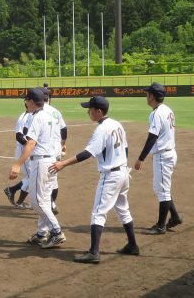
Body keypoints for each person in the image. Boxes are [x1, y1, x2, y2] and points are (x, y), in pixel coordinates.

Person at [49, 96, 139, 264]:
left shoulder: (102, 129)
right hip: (122, 173)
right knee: (122, 209)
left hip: (111, 176)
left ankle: (93, 252)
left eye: (90, 109)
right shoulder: (117, 124)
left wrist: (63, 163)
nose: (88, 111)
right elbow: (125, 148)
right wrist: (125, 167)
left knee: (98, 213)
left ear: (99, 111)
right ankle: (132, 245)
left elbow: (87, 153)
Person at [9, 88, 66, 249]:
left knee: (37, 202)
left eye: (27, 100)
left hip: (41, 162)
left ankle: (57, 232)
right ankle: (42, 234)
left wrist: (18, 164)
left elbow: (31, 143)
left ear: (32, 101)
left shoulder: (36, 118)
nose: (26, 102)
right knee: (46, 199)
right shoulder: (51, 115)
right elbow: (59, 137)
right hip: (52, 160)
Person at [134, 82, 182, 234]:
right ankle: (174, 217)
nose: (146, 96)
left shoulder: (156, 113)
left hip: (163, 156)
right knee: (161, 188)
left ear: (152, 96)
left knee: (162, 191)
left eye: (147, 94)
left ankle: (161, 226)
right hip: (169, 153)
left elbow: (152, 137)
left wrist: (140, 158)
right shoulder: (167, 109)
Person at [3, 103, 32, 209]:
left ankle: (12, 191)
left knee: (32, 177)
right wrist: (29, 146)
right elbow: (19, 137)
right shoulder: (24, 117)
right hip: (23, 151)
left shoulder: (34, 115)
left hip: (29, 150)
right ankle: (18, 200)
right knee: (32, 177)